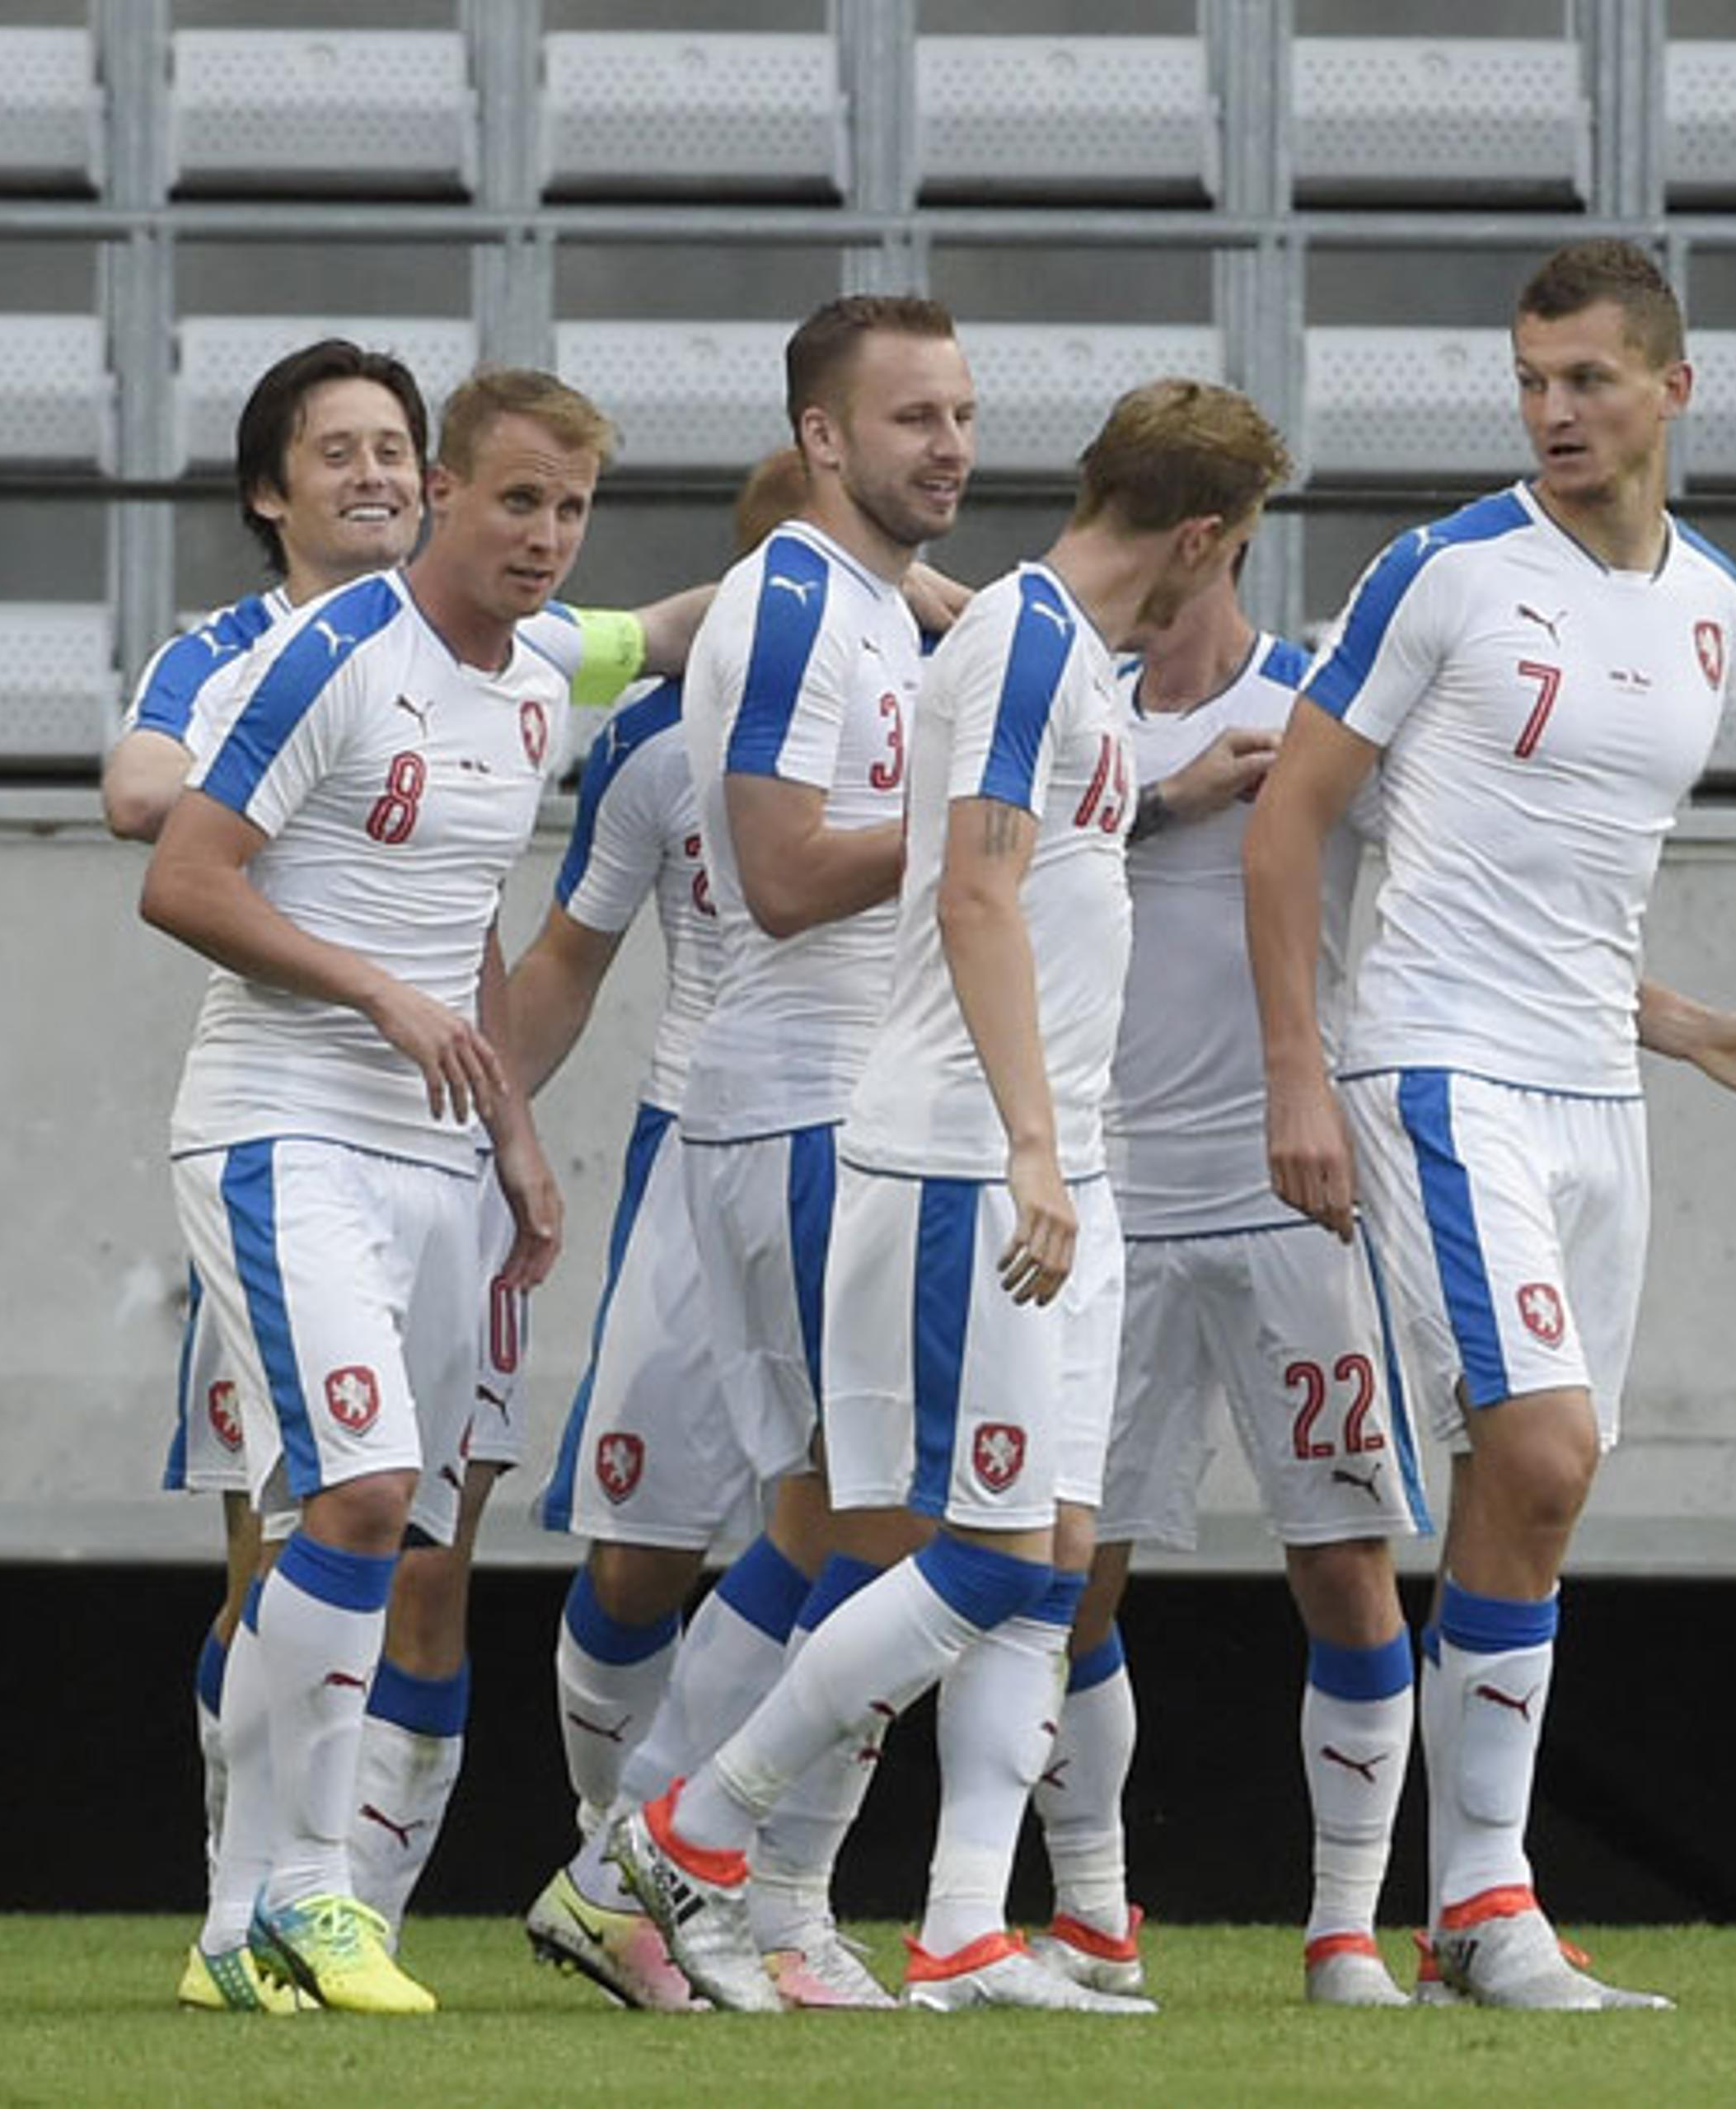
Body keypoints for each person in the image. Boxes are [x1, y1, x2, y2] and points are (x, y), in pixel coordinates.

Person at [609, 376, 1291, 2017]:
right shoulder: (1035, 646)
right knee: (978, 1551)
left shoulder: (1056, 648)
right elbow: (973, 892)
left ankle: (964, 1924)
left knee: (1048, 1551)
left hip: (1060, 1150)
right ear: (1203, 535)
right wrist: (1036, 1144)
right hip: (966, 1156)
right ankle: (687, 1832)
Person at [1242, 241, 1736, 2012]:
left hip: (1593, 1080)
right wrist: (1295, 1069)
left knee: (1538, 1490)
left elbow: (1566, 895)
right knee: (1540, 1447)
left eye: (1588, 380)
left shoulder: (1722, 605)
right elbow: (1291, 827)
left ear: (1672, 390)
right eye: (1534, 382)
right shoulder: (1447, 572)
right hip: (1433, 1067)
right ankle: (1477, 1898)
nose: (1555, 412)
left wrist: (1687, 1025)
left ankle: (1476, 1915)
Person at [104, 342, 701, 2013]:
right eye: (516, 498)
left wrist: (515, 1133)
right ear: (444, 493)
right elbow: (184, 873)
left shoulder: (529, 684)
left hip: (440, 1154)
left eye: (571, 509)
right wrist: (372, 990)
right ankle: (311, 1887)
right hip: (282, 1120)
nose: (545, 536)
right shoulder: (328, 652)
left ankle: (247, 1925)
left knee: (392, 1523)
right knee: (355, 1494)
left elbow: (470, 938)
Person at [512, 432, 964, 2013]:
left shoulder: (910, 681)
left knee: (849, 1521)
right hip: (713, 1140)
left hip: (858, 1127)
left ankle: (749, 1891)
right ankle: (632, 1850)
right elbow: (570, 953)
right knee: (645, 1549)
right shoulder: (659, 742)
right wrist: (487, 1119)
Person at [1026, 540, 1426, 2009]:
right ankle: (1090, 1919)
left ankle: (1343, 1932)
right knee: (1069, 1574)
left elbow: (1434, 893)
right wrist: (1150, 801)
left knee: (1341, 1563)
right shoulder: (1084, 715)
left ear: (1219, 543)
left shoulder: (1316, 705)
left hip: (1285, 1200)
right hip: (1111, 1198)